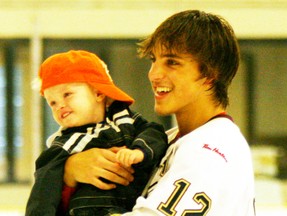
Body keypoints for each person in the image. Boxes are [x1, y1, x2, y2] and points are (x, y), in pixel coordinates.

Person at [63, 10, 256, 215]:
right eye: (153, 60)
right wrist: (71, 171)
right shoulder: (174, 139)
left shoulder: (210, 150)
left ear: (208, 74)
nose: (154, 74)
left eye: (172, 62)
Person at [25, 50, 168, 216]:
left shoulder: (124, 119)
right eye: (53, 102)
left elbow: (154, 132)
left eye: (67, 94)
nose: (60, 106)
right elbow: (43, 189)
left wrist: (139, 151)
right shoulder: (65, 143)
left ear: (99, 93)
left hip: (135, 205)